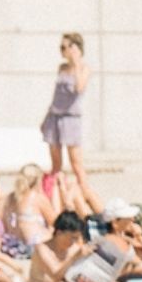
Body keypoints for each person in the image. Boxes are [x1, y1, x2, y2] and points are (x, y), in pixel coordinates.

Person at [41, 33, 98, 210]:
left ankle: (86, 193)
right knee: (56, 163)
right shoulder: (61, 68)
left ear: (75, 48)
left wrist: (76, 64)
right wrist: (45, 118)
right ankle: (55, 193)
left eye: (65, 47)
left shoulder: (84, 69)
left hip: (71, 118)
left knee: (76, 162)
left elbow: (79, 88)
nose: (63, 51)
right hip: (55, 115)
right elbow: (56, 96)